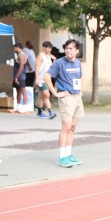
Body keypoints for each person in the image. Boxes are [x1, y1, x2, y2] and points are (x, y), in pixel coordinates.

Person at [43, 39, 85, 168]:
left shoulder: (77, 63)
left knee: (73, 127)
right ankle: (62, 157)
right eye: (66, 48)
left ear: (77, 50)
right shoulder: (59, 62)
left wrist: (80, 90)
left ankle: (68, 154)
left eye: (71, 48)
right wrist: (55, 94)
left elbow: (79, 77)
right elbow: (46, 77)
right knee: (66, 127)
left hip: (77, 97)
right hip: (66, 98)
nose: (68, 50)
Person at [35, 41, 57, 119]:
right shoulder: (40, 56)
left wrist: (54, 59)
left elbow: (51, 65)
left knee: (41, 95)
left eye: (50, 48)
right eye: (48, 48)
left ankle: (39, 111)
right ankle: (50, 112)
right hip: (41, 78)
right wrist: (37, 78)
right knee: (47, 94)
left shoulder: (48, 56)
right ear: (44, 47)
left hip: (47, 78)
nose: (50, 50)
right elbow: (37, 67)